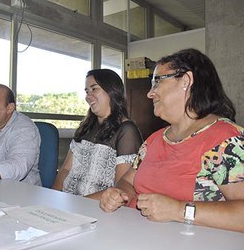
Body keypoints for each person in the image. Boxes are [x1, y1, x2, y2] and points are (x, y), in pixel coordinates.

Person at [99, 49, 244, 233]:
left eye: (157, 81)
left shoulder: (225, 140)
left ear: (186, 80)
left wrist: (178, 210)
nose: (150, 93)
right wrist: (119, 193)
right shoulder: (154, 140)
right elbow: (127, 182)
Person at [52, 69, 143, 199]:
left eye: (94, 89)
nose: (88, 96)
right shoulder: (85, 127)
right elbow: (65, 169)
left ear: (112, 90)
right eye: (87, 91)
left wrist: (78, 204)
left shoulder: (126, 130)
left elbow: (121, 189)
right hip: (69, 202)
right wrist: (53, 197)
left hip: (98, 208)